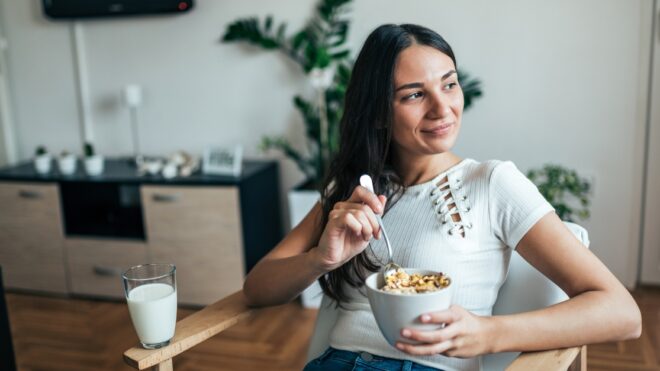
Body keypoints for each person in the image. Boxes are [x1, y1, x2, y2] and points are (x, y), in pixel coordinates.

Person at [243, 23, 642, 371]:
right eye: (414, 95)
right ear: (379, 112)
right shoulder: (353, 192)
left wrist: (490, 333)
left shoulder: (492, 183)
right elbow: (257, 291)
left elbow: (622, 313)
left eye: (449, 84)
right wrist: (321, 259)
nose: (442, 108)